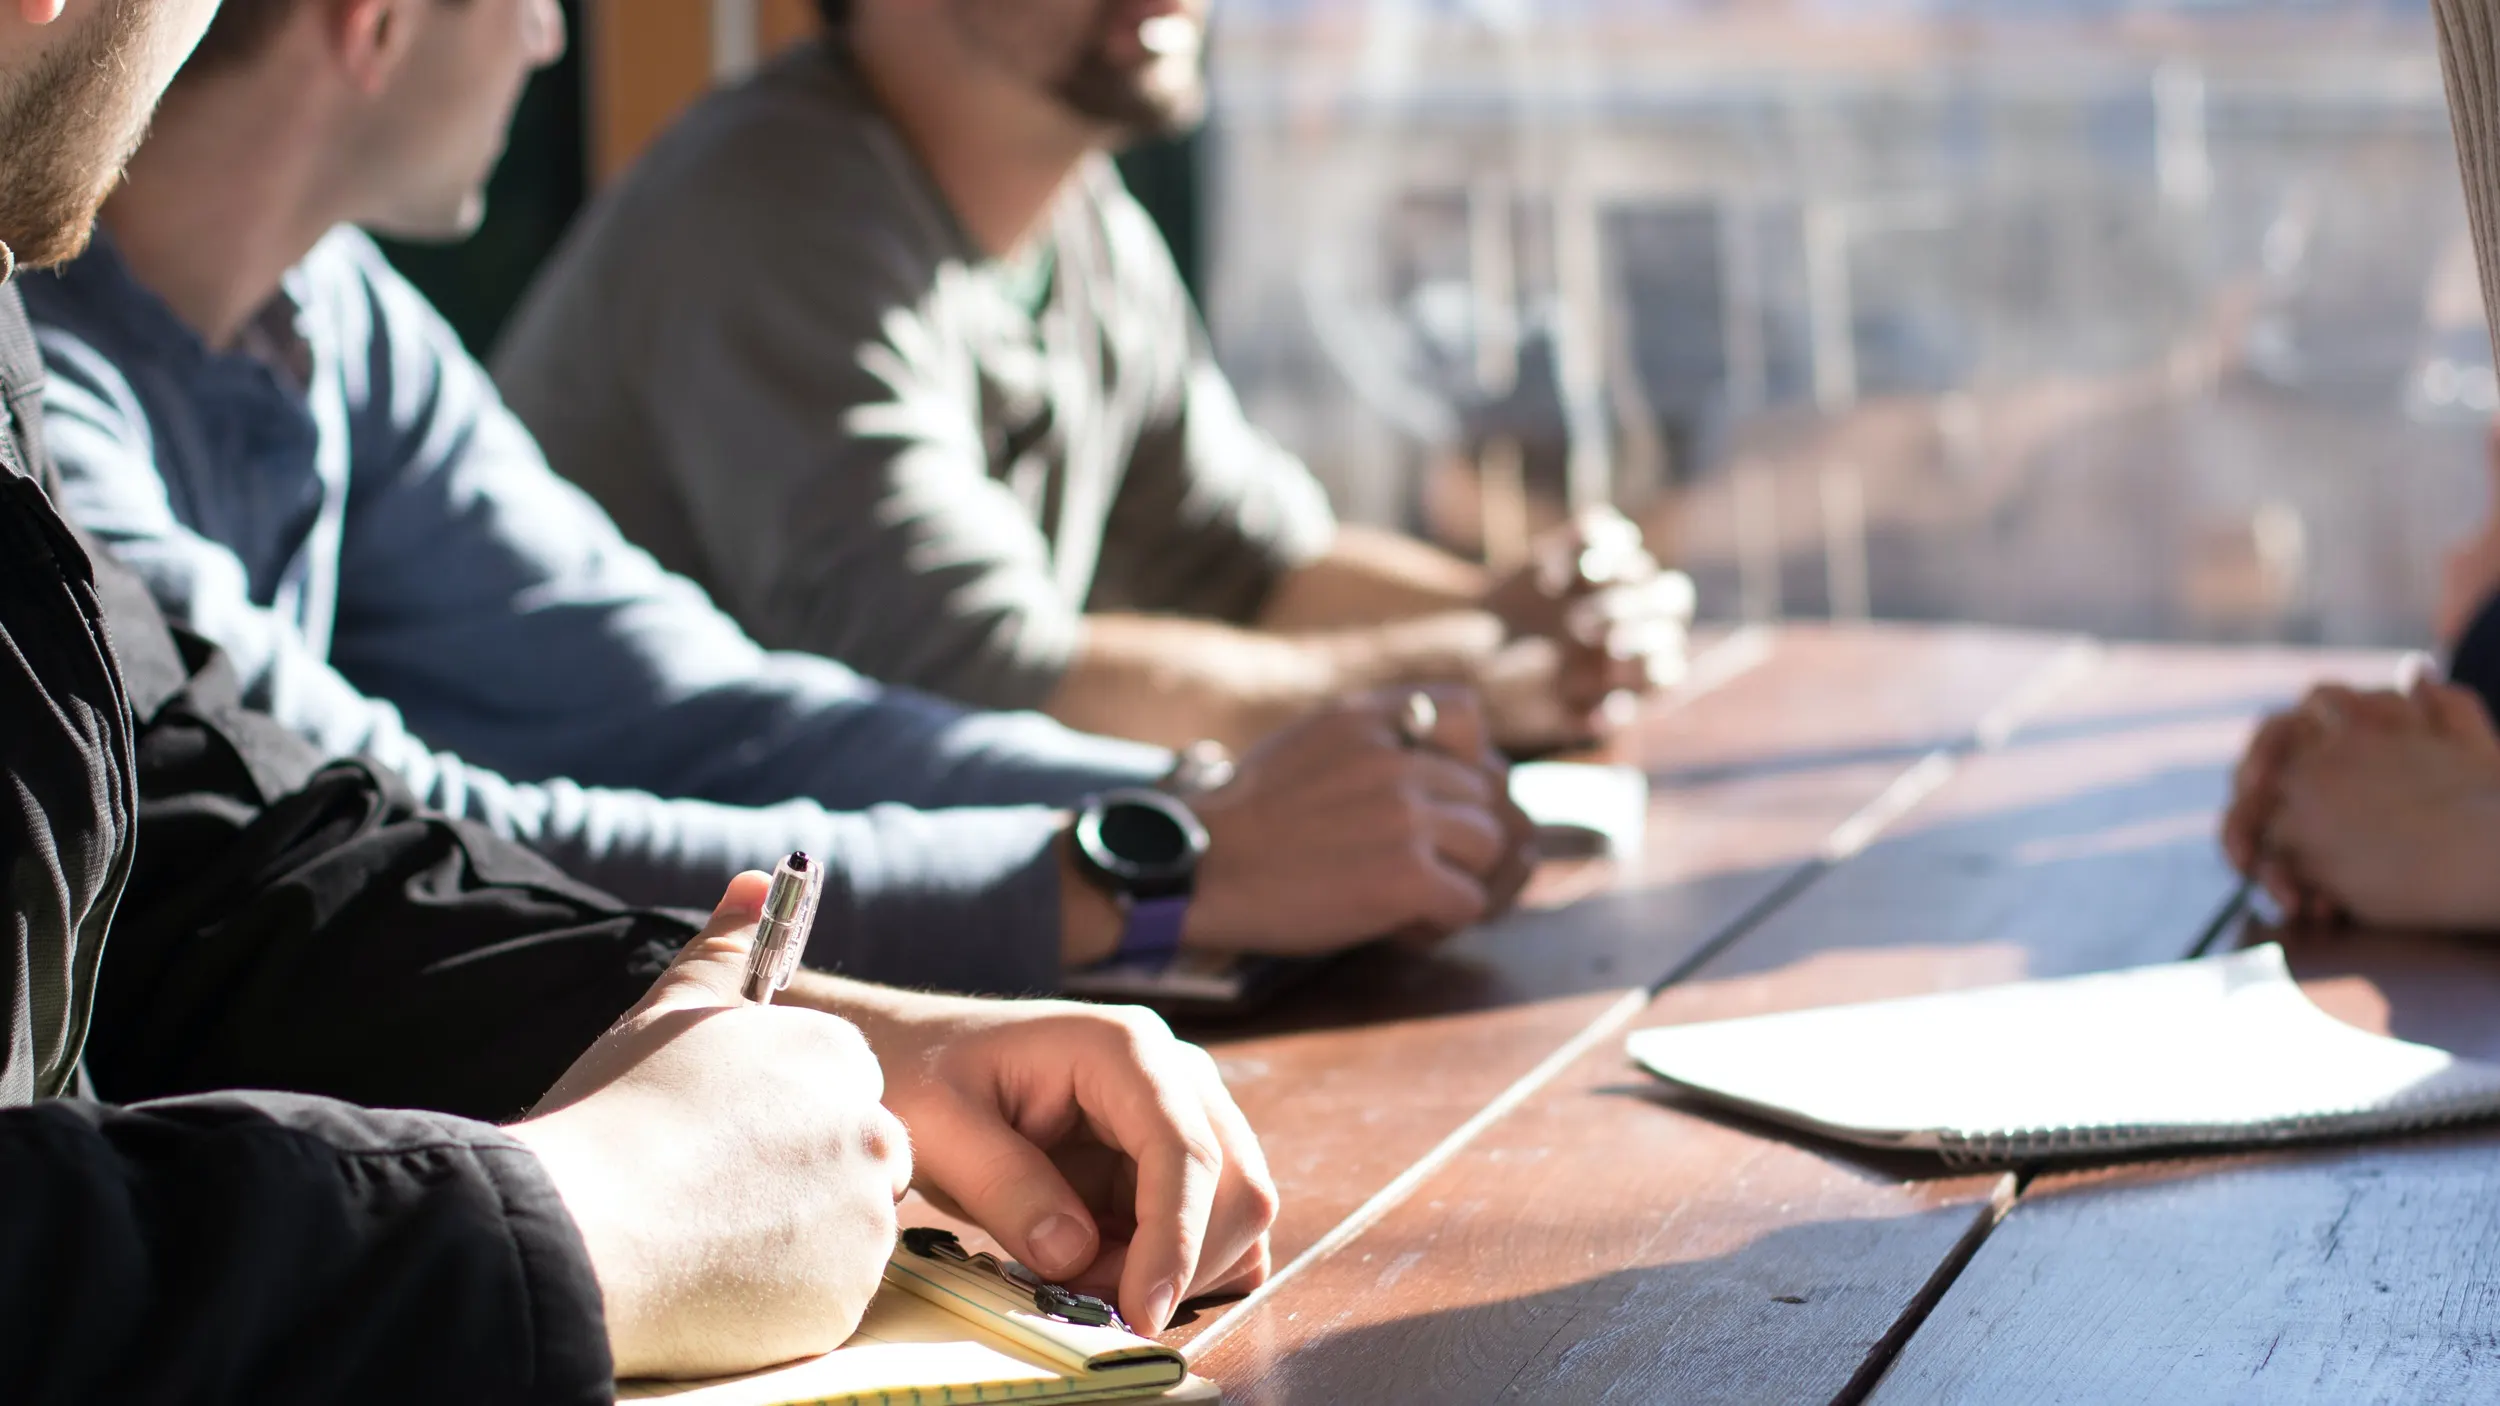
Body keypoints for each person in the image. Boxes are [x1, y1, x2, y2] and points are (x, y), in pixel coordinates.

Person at [2, 3, 1273, 1394]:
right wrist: (581, 1215)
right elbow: (944, 642)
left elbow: (217, 852)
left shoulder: (297, 317)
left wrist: (794, 1031)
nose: (554, 37)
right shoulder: (771, 202)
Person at [30, 0, 1536, 996]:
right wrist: (1153, 869)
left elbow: (701, 706)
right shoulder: (49, 406)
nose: (554, 38)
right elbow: (409, 843)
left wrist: (1180, 813)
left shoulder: (326, 308)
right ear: (375, 22)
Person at [493, 0, 1695, 759]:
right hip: (638, 967)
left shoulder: (1078, 212)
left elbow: (1252, 566)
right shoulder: (769, 208)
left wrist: (1528, 615)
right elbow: (981, 680)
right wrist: (1467, 678)